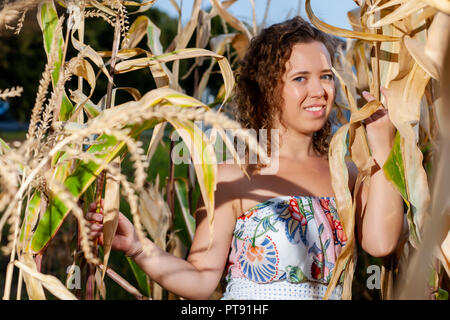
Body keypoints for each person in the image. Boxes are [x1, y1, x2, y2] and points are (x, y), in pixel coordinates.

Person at [87, 17, 404, 300]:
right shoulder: (230, 176)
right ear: (266, 88)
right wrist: (138, 248)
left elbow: (380, 244)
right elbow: (200, 279)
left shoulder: (347, 174)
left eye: (326, 76)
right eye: (300, 78)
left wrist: (383, 147)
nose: (319, 90)